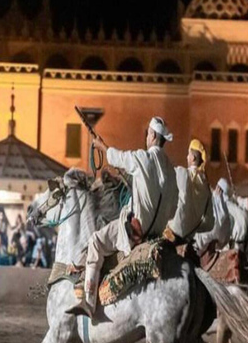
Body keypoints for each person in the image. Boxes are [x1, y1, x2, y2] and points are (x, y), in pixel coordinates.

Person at [68, 116, 178, 319]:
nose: (147, 137)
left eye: (148, 134)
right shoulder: (171, 171)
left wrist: (100, 145)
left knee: (96, 241)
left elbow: (115, 157)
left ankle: (88, 302)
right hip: (157, 234)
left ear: (152, 135)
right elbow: (172, 211)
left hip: (134, 231)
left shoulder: (142, 158)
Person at [167, 139, 213, 243]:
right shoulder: (206, 184)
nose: (186, 157)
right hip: (189, 235)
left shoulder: (182, 174)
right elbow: (209, 222)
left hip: (173, 232)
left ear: (193, 158)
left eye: (188, 154)